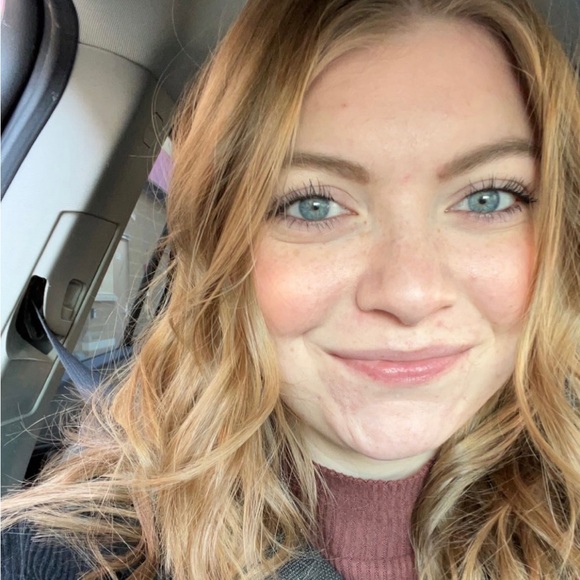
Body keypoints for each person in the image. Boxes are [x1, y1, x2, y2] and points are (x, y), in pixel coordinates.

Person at [2, 0, 579, 578]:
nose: (410, 295)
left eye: (488, 198)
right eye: (314, 205)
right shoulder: (67, 555)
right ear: (223, 246)